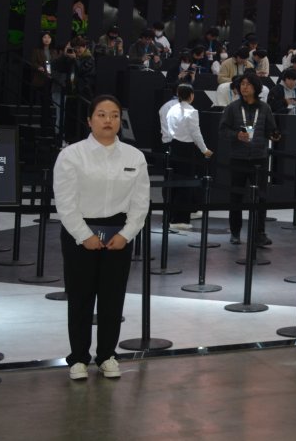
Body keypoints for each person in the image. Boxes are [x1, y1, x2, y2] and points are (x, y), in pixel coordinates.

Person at [52, 94, 151, 381]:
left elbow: (140, 202)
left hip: (118, 235)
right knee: (80, 298)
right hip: (80, 234)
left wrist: (126, 234)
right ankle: (78, 358)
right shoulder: (72, 155)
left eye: (114, 115)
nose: (109, 120)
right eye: (102, 114)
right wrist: (84, 235)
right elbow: (65, 202)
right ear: (89, 120)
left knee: (112, 298)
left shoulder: (134, 157)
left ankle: (107, 355)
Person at [217, 73, 279, 246]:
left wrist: (274, 135)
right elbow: (222, 131)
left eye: (248, 84)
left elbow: (271, 129)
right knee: (236, 196)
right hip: (238, 158)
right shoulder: (232, 108)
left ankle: (259, 233)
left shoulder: (265, 108)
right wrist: (236, 135)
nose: (244, 87)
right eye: (242, 84)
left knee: (261, 197)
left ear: (256, 87)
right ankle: (235, 232)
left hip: (259, 158)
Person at [165, 83, 213, 229]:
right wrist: (204, 150)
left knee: (173, 184)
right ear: (191, 95)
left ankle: (171, 217)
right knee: (185, 185)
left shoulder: (172, 109)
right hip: (186, 150)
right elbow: (196, 133)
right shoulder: (192, 112)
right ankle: (180, 220)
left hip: (173, 146)